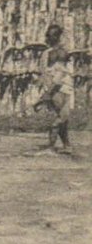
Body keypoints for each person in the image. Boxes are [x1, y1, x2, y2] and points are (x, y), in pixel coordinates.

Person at [35, 24, 73, 154]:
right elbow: (58, 76)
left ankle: (67, 145)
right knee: (60, 118)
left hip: (56, 88)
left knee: (63, 118)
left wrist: (46, 91)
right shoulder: (58, 53)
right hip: (60, 89)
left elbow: (47, 73)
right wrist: (48, 92)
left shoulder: (48, 53)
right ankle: (51, 146)